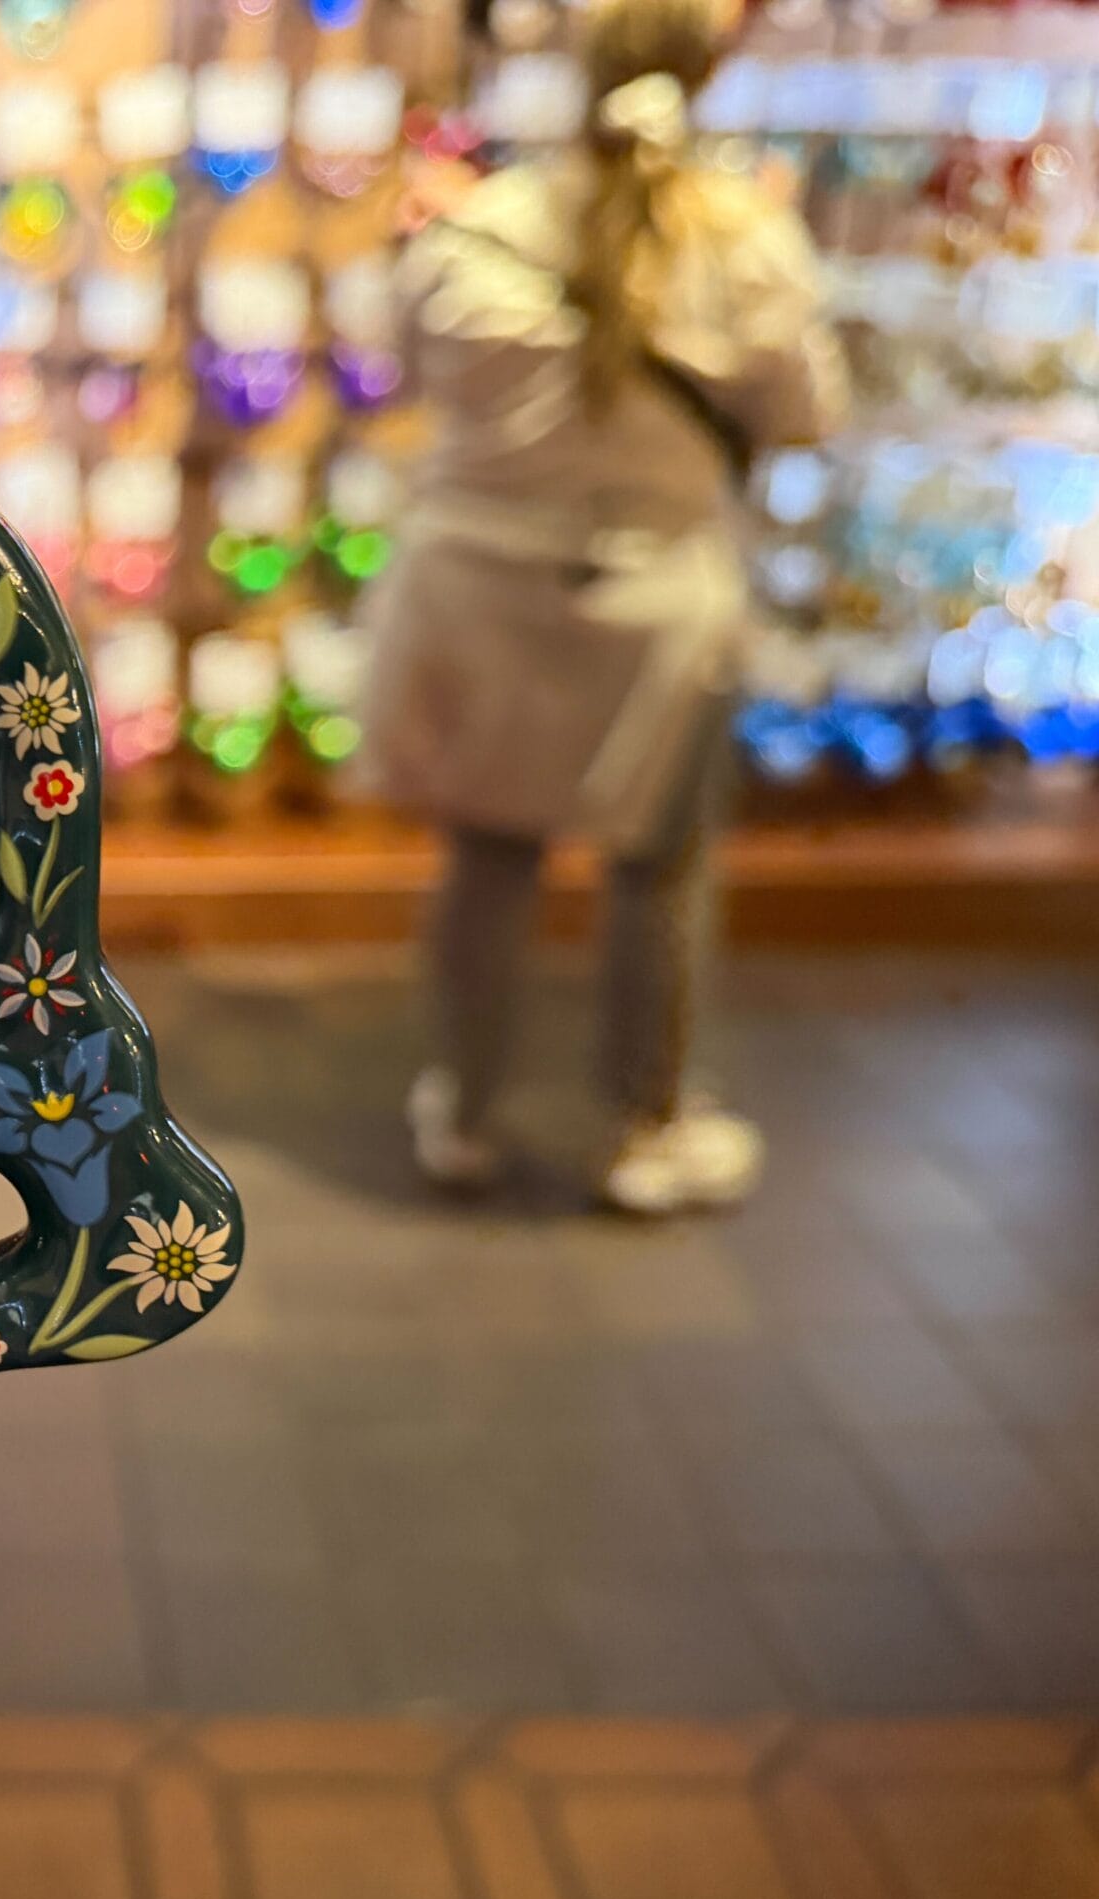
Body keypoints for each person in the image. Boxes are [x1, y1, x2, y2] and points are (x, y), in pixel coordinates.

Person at [360, 0, 844, 1213]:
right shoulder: (748, 244)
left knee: (487, 854)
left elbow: (405, 370)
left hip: (481, 591)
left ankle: (463, 1114)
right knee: (663, 871)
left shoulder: (472, 233)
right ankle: (647, 1127)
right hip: (662, 603)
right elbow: (807, 413)